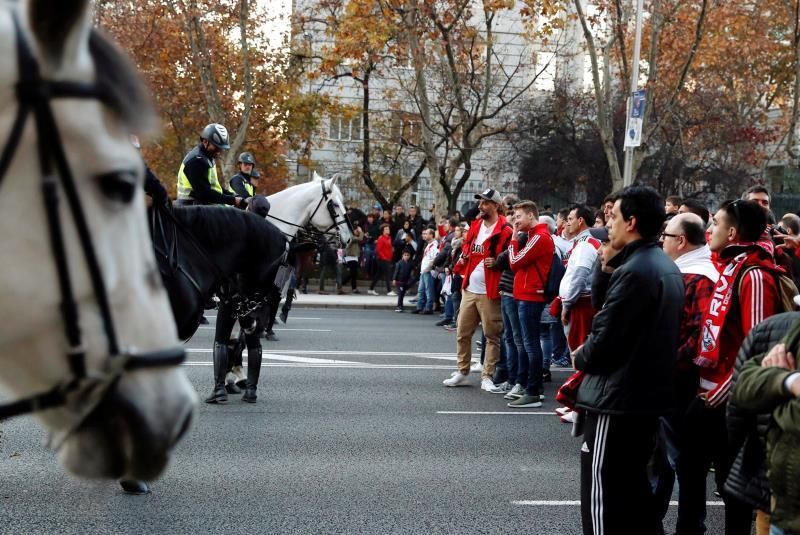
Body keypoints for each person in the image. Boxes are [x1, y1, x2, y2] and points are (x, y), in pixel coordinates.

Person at [573, 186, 684, 535]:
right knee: (636, 492)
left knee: (602, 495)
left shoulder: (637, 271)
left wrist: (582, 356)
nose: (608, 226)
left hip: (616, 398)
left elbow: (604, 338)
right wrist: (605, 269)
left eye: (614, 217)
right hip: (642, 397)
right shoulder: (661, 264)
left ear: (632, 222)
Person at [684, 199, 782, 535]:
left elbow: (755, 350)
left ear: (733, 232)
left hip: (731, 403)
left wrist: (718, 397)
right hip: (708, 394)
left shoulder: (754, 275)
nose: (709, 230)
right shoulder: (729, 266)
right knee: (691, 470)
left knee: (732, 488)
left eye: (716, 224)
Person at [654, 213, 719, 531]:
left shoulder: (698, 277)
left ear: (681, 241)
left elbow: (697, 336)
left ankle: (689, 527)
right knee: (669, 458)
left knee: (684, 461)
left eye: (665, 235)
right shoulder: (690, 272)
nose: (661, 240)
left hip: (680, 381)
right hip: (675, 378)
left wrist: (665, 364)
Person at [443, 188, 512, 389]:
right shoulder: (475, 226)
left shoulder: (505, 230)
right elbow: (467, 246)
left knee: (492, 336)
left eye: (485, 202)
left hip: (490, 291)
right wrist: (464, 257)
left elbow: (511, 257)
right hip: (470, 288)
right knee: (462, 332)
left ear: (496, 206)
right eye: (480, 202)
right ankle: (462, 371)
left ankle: (487, 377)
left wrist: (498, 263)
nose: (480, 206)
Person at [732, 331, 800, 535]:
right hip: (783, 503)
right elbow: (743, 384)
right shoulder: (794, 330)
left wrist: (777, 388)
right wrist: (786, 381)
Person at [505, 200, 555, 407]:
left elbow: (514, 262)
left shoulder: (540, 237)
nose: (515, 221)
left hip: (531, 296)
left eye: (519, 217)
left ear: (530, 216)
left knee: (531, 345)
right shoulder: (535, 236)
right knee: (529, 344)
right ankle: (533, 388)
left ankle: (533, 391)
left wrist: (513, 239)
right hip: (526, 295)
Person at [557, 205, 601, 353]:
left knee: (578, 351)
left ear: (580, 220)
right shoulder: (584, 242)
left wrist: (567, 304)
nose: (566, 223)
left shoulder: (585, 245)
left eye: (570, 219)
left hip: (580, 305)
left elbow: (579, 276)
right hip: (579, 302)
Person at [175, 123, 242, 207]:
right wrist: (233, 200)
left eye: (222, 148)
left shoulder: (208, 157)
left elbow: (214, 187)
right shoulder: (196, 160)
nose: (220, 151)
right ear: (205, 142)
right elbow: (204, 193)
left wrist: (234, 196)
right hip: (190, 208)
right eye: (217, 147)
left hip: (201, 206)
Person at [369, 224, 393, 295]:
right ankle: (389, 291)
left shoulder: (389, 238)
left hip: (387, 259)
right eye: (386, 229)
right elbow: (378, 250)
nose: (387, 230)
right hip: (382, 259)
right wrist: (384, 258)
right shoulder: (381, 238)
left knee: (378, 275)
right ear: (382, 231)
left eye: (388, 229)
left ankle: (371, 289)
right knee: (387, 274)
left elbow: (389, 249)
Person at [341, 224, 364, 293]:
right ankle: (343, 283)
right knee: (353, 273)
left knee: (353, 273)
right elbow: (360, 239)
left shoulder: (354, 237)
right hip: (350, 258)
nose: (357, 231)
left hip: (354, 258)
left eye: (357, 230)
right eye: (356, 230)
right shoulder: (351, 237)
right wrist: (361, 231)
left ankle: (351, 287)